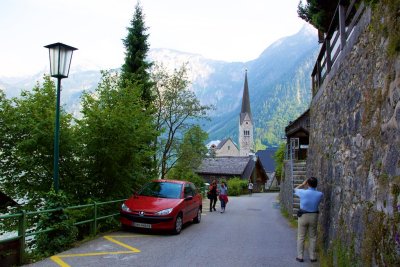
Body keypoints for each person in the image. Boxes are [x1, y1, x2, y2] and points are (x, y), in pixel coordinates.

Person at [294, 177, 323, 263]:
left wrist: (303, 184)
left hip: (303, 215)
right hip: (314, 216)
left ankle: (300, 256)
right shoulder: (320, 194)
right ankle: (312, 257)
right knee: (312, 237)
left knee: (301, 237)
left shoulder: (303, 192)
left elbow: (294, 190)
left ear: (308, 184)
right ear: (316, 184)